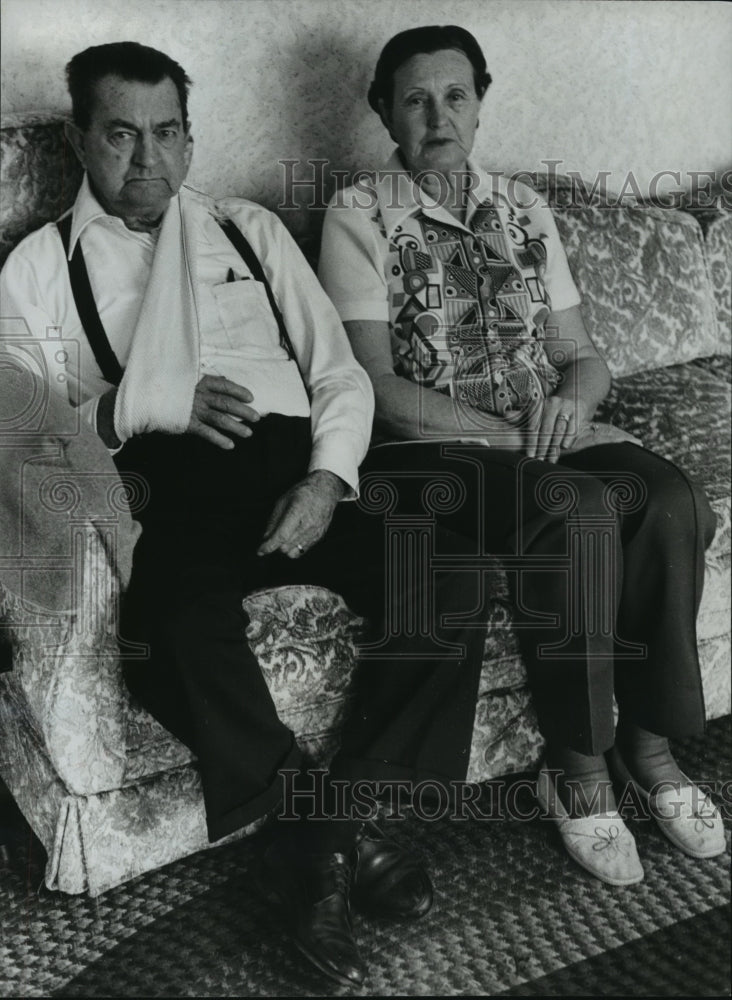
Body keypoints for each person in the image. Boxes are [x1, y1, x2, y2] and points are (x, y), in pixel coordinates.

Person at [0, 41, 489, 988]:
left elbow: (338, 373)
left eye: (168, 132)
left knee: (454, 575)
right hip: (168, 494)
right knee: (168, 629)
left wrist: (328, 481)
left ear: (191, 138)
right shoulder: (38, 269)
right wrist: (141, 404)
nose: (148, 159)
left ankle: (317, 832)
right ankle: (336, 839)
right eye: (121, 135)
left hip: (295, 475)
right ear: (79, 139)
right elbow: (26, 437)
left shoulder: (248, 229)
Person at [318, 24, 726, 888]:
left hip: (542, 436)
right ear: (384, 110)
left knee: (668, 497)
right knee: (574, 509)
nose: (439, 117)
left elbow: (583, 355)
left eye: (455, 96)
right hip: (433, 452)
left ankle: (650, 750)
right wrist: (521, 440)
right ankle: (575, 769)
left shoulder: (523, 209)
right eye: (416, 99)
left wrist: (573, 407)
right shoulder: (358, 214)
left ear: (480, 103)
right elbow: (375, 385)